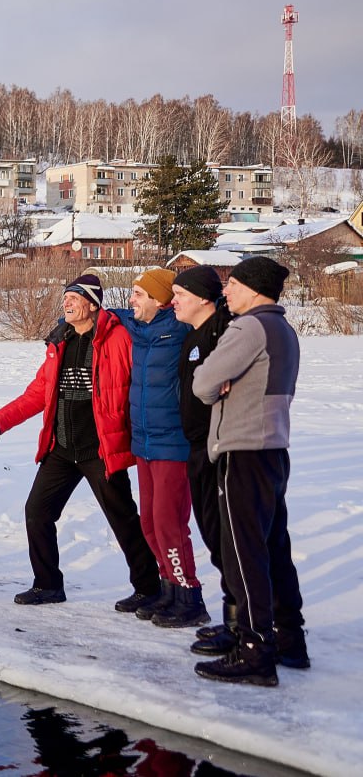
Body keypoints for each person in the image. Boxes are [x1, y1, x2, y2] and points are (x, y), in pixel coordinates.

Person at [0, 273, 159, 606]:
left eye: (75, 297)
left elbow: (143, 382)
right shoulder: (60, 341)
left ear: (93, 305)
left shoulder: (118, 339)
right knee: (37, 511)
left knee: (122, 518)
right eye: (66, 297)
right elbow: (38, 393)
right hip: (61, 447)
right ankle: (47, 584)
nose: (67, 303)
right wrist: (0, 420)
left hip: (100, 448)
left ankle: (149, 588)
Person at [192, 256, 307, 686]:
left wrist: (215, 380)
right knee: (275, 548)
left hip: (242, 449)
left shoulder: (247, 328)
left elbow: (202, 383)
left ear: (255, 289)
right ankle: (289, 639)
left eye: (233, 285)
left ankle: (255, 650)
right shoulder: (284, 329)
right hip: (274, 448)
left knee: (244, 553)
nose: (226, 292)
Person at [110, 267, 208, 628]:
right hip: (144, 441)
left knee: (170, 524)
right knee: (150, 523)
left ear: (159, 299)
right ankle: (168, 588)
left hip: (173, 443)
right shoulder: (139, 328)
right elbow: (115, 314)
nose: (131, 299)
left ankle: (189, 594)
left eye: (138, 293)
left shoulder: (181, 329)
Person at [171, 266, 238, 655]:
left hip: (219, 447)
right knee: (212, 534)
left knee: (226, 536)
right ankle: (232, 617)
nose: (174, 300)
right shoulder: (193, 335)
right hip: (195, 445)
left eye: (180, 293)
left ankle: (240, 623)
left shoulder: (222, 332)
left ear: (202, 297)